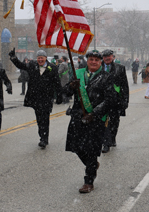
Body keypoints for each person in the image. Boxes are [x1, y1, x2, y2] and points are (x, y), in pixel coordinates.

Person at [63, 50, 115, 193]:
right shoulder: (78, 73)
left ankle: (89, 181)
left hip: (95, 119)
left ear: (101, 62)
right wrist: (70, 87)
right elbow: (65, 93)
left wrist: (94, 114)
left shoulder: (106, 77)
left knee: (91, 150)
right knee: (76, 147)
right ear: (87, 60)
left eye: (96, 60)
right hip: (78, 117)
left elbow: (110, 100)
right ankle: (91, 164)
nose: (93, 62)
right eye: (91, 59)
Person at [9, 48, 62, 149]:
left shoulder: (53, 68)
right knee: (39, 119)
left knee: (45, 118)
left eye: (42, 58)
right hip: (35, 98)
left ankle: (44, 139)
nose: (40, 60)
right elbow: (21, 65)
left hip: (47, 98)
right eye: (38, 58)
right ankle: (42, 135)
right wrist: (13, 58)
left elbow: (57, 83)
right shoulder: (32, 65)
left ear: (46, 58)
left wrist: (59, 96)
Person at [100, 49, 129, 153]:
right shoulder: (98, 67)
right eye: (105, 56)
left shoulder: (120, 68)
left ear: (113, 57)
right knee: (103, 120)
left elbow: (124, 85)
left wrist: (125, 100)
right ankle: (106, 142)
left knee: (115, 121)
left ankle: (112, 138)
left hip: (116, 99)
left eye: (109, 56)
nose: (107, 58)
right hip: (101, 99)